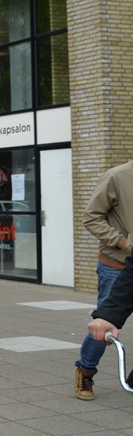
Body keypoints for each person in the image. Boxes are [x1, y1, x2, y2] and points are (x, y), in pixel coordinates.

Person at [75, 161, 133, 400]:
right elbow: (91, 218)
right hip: (117, 265)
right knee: (105, 324)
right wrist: (123, 242)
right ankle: (86, 371)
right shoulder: (117, 177)